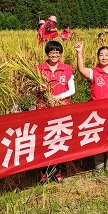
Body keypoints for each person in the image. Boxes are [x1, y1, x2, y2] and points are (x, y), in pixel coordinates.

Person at [75, 42, 108, 174]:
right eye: (101, 55)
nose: (104, 57)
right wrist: (79, 52)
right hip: (97, 112)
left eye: (107, 55)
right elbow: (82, 70)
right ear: (98, 57)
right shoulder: (94, 72)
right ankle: (98, 166)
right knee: (97, 137)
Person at [32, 40, 75, 183]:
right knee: (44, 140)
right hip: (43, 109)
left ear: (60, 53)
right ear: (47, 53)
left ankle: (57, 170)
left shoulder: (67, 68)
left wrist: (58, 97)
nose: (54, 54)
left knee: (58, 140)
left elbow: (72, 90)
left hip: (61, 109)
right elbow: (31, 90)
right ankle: (43, 172)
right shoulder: (39, 69)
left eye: (57, 52)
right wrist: (38, 89)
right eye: (51, 52)